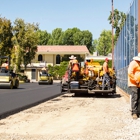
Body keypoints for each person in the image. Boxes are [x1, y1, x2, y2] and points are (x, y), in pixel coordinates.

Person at [128, 53, 140, 119]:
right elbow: (130, 73)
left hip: (138, 83)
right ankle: (134, 113)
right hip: (133, 83)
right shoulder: (133, 63)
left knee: (138, 97)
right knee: (135, 97)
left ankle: (138, 111)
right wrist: (136, 80)